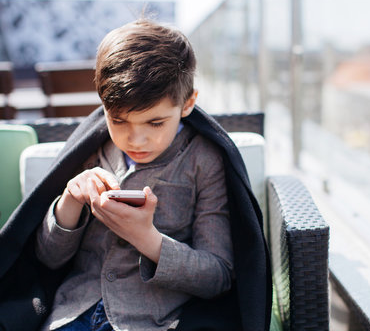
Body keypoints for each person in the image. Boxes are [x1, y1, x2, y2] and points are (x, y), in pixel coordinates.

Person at [0, 19, 272, 331]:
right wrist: (71, 201)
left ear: (188, 103)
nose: (136, 140)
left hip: (156, 321)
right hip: (71, 315)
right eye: (119, 121)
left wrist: (147, 239)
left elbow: (218, 276)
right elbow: (47, 259)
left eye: (155, 123)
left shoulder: (204, 162)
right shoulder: (91, 150)